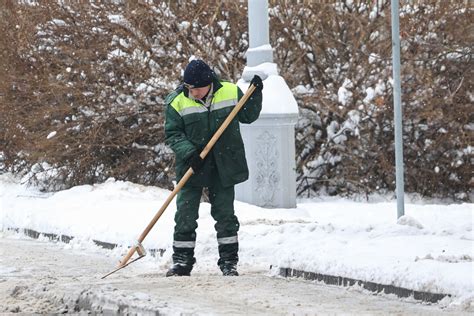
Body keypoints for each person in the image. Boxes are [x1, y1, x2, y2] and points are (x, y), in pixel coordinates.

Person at [164, 59, 263, 276]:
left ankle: (229, 262)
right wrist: (189, 153)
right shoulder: (176, 102)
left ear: (208, 83)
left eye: (196, 88)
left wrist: (255, 94)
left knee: (225, 215)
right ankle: (182, 262)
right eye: (189, 88)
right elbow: (173, 134)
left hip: (223, 165)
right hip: (192, 165)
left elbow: (247, 115)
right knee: (185, 215)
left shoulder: (230, 92)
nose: (193, 92)